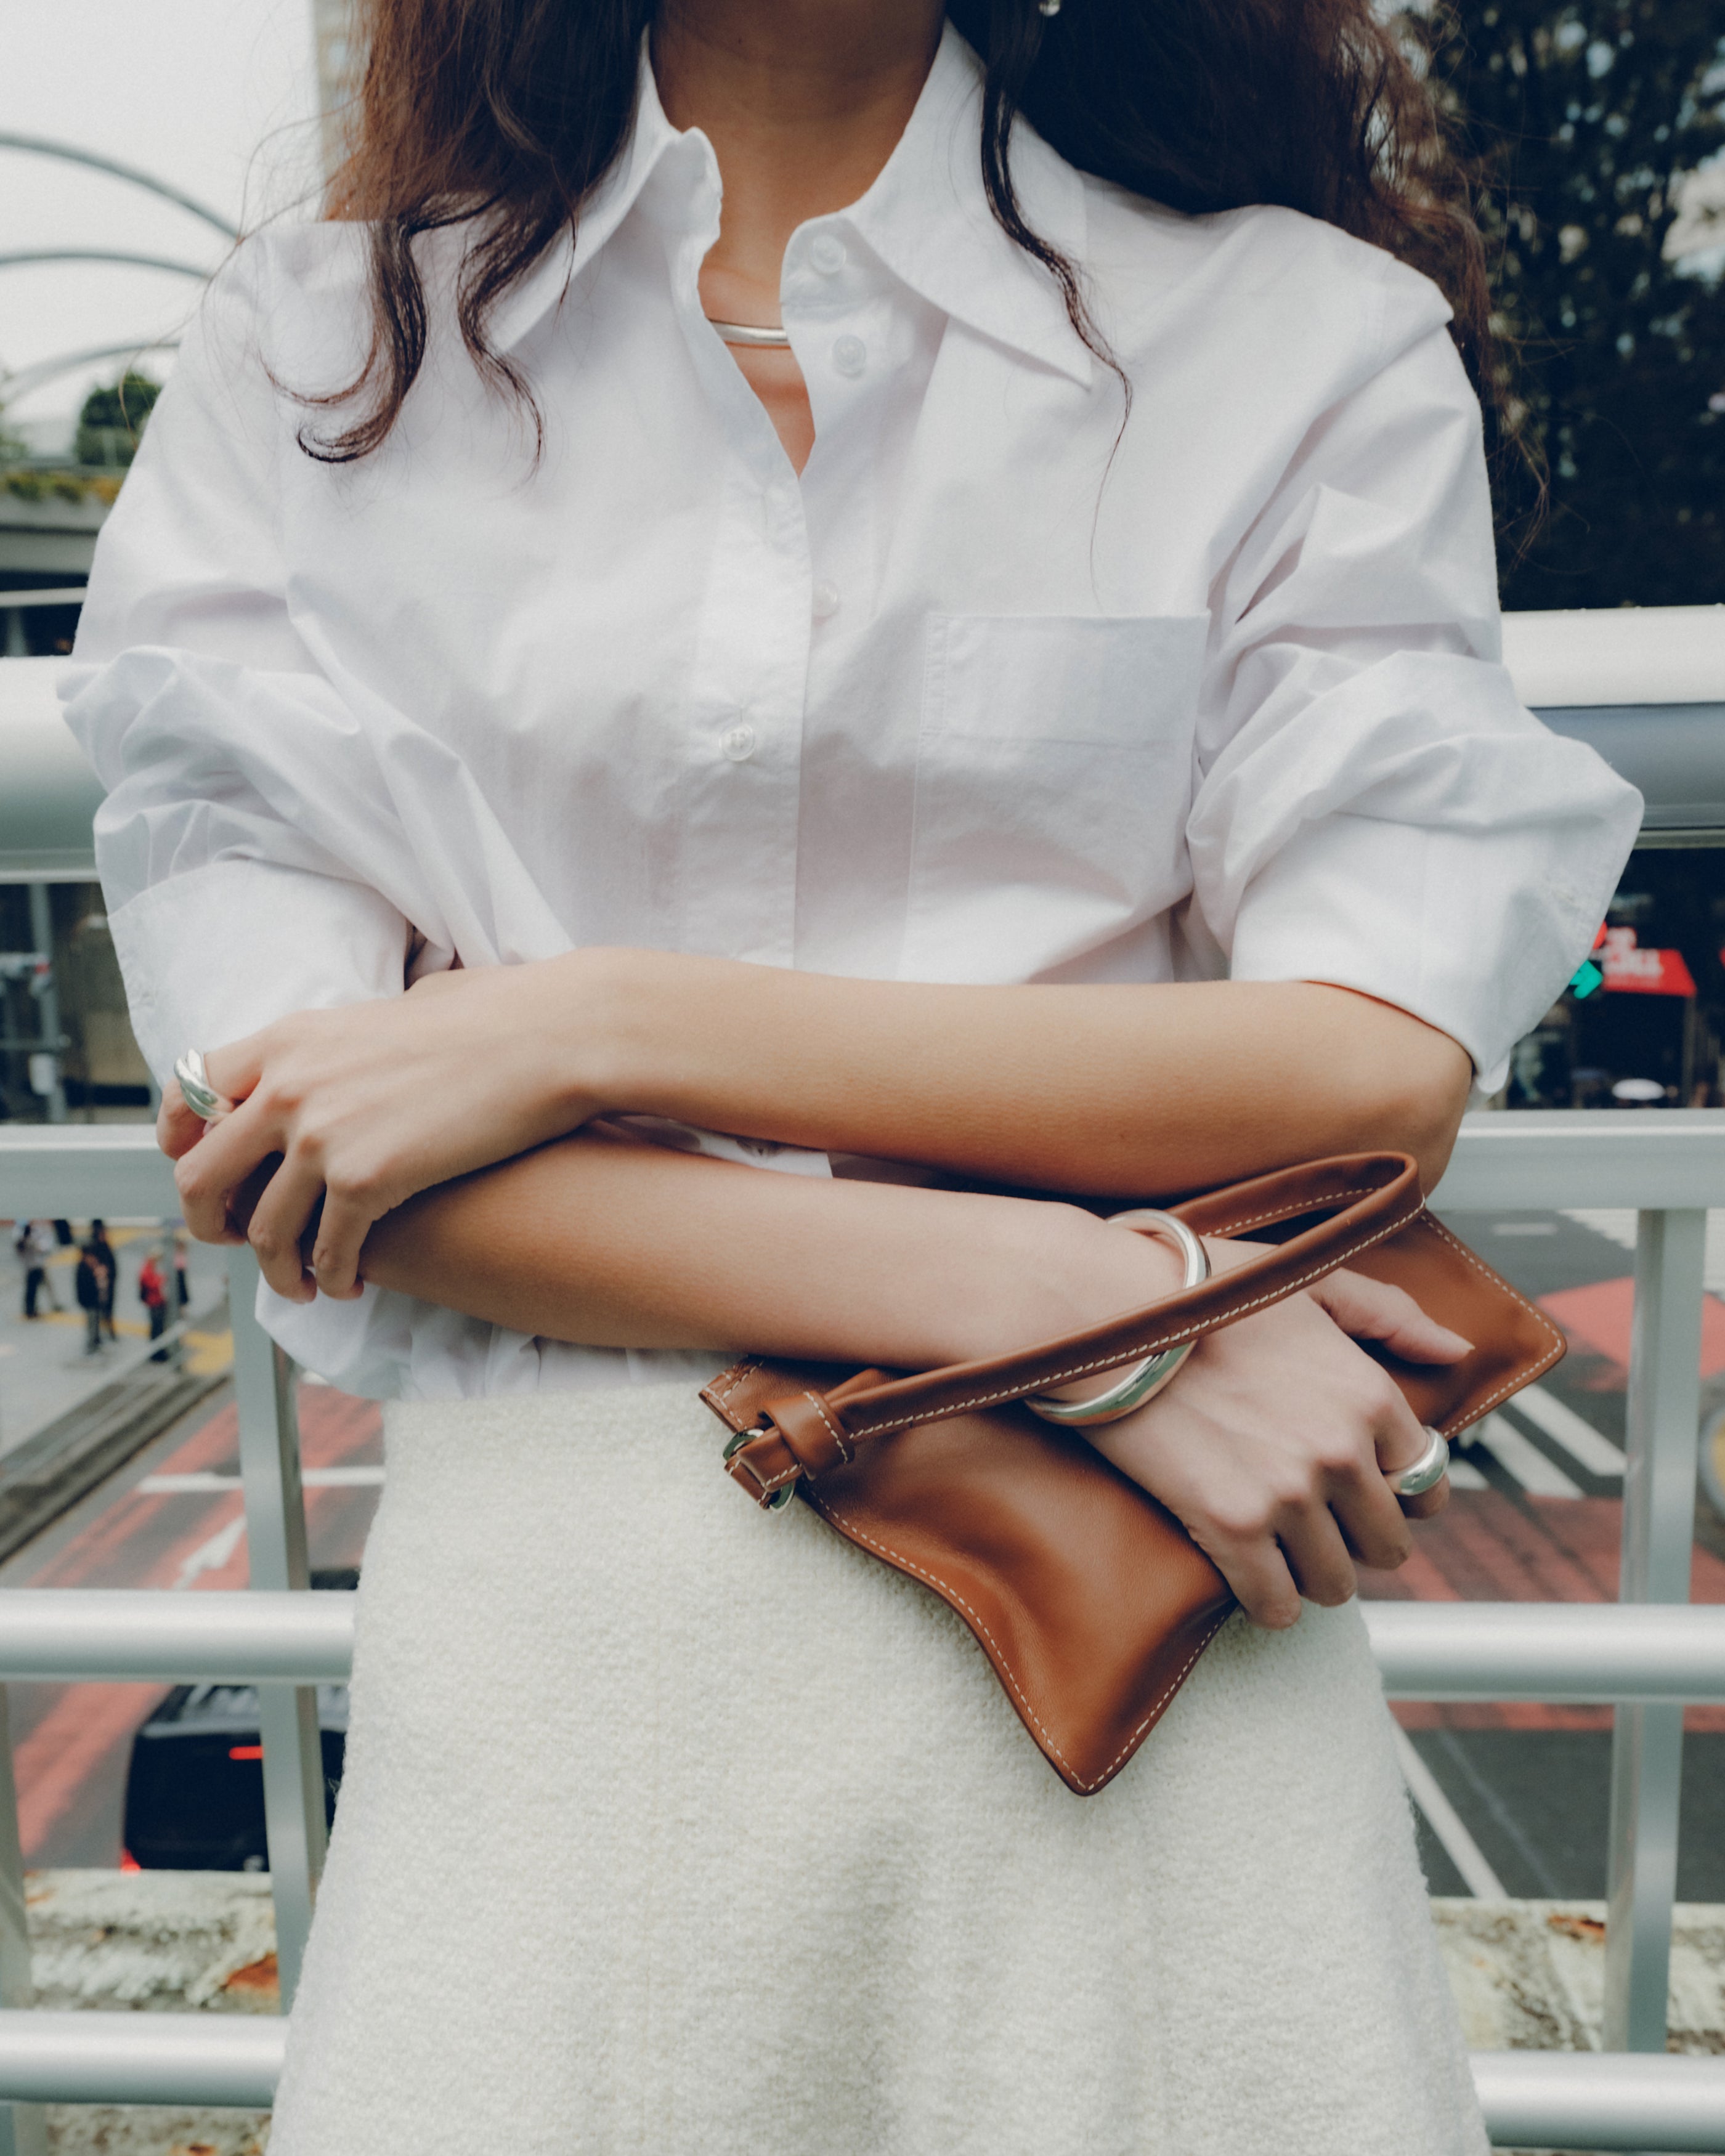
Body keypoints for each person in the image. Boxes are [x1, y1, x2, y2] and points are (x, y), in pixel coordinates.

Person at [62, 1, 1641, 2148]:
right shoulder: (321, 356)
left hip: (1138, 1692)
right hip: (617, 1658)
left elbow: (1371, 1071)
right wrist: (1059, 1303)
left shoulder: (1293, 342)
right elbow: (301, 1133)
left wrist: (585, 1020)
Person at [15, 1222, 60, 1320]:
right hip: (32, 1268)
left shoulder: (30, 1239)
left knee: (42, 1288)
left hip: (35, 1266)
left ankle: (52, 1305)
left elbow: (43, 1248)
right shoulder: (24, 1241)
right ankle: (31, 1310)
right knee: (32, 1290)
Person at [73, 1238, 108, 1357]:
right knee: (91, 1325)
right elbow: (84, 1287)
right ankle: (91, 1346)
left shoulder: (91, 1266)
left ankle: (96, 1342)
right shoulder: (83, 1269)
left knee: (96, 1323)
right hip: (89, 1302)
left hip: (95, 1301)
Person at [86, 1220, 118, 1344]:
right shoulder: (94, 1250)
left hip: (108, 1286)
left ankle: (108, 1332)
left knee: (108, 1311)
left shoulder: (105, 1247)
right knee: (97, 1314)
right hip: (98, 1289)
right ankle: (97, 1337)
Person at [138, 1248, 170, 1350]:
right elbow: (152, 1284)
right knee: (157, 1327)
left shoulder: (152, 1268)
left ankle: (159, 1350)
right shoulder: (146, 1270)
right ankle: (157, 1352)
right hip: (154, 1302)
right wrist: (163, 1278)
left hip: (158, 1301)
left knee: (159, 1327)